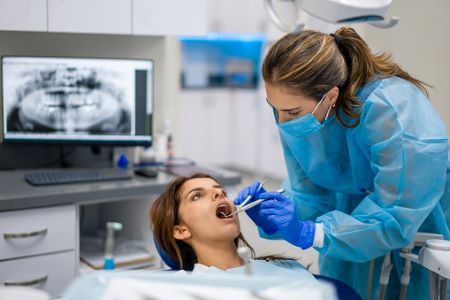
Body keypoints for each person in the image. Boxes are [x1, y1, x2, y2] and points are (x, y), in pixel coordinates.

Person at [235, 26, 450, 299]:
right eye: (274, 108)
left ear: (331, 96)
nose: (283, 121)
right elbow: (310, 195)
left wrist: (308, 232)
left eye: (291, 112)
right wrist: (278, 216)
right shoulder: (300, 115)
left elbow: (396, 216)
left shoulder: (394, 111)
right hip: (347, 234)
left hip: (417, 229)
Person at [149, 172, 316, 279]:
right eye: (197, 196)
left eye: (222, 191)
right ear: (181, 230)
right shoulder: (186, 290)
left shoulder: (288, 269)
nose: (219, 193)